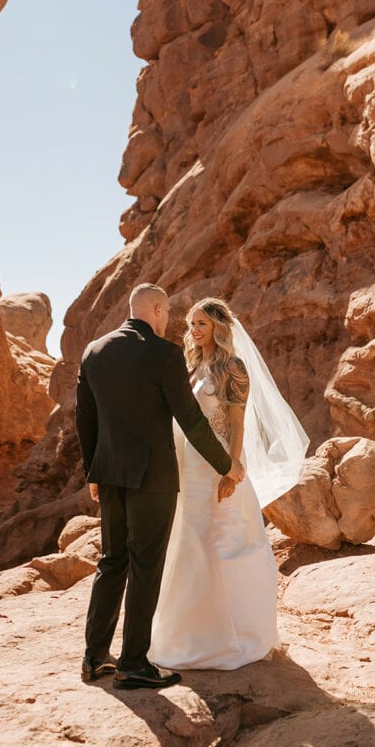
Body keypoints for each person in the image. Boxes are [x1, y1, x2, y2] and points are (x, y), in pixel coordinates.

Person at [75, 283, 245, 691]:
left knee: (111, 562)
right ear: (156, 309)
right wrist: (228, 465)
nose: (168, 321)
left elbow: (85, 418)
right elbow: (190, 418)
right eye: (167, 314)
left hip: (110, 474)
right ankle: (134, 663)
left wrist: (94, 473)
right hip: (152, 479)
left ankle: (95, 658)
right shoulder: (163, 354)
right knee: (145, 565)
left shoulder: (94, 351)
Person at [150, 297, 309, 670]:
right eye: (191, 325)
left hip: (217, 463)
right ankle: (188, 634)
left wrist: (231, 469)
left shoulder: (232, 367)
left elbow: (237, 423)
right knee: (189, 540)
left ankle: (239, 635)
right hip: (188, 465)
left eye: (201, 324)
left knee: (224, 541)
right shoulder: (193, 366)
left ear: (219, 327)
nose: (194, 331)